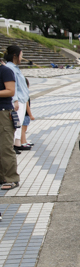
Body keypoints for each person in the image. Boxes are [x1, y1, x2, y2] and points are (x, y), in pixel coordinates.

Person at [4, 46, 30, 153]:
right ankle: (13, 144)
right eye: (21, 55)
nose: (21, 58)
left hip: (22, 99)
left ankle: (17, 143)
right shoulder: (10, 68)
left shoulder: (15, 68)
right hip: (18, 100)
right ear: (15, 56)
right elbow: (12, 86)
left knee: (19, 123)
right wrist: (15, 100)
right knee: (15, 123)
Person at [0, 57, 18, 191]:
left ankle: (11, 178)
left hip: (4, 113)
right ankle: (2, 177)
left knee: (5, 147)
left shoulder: (5, 71)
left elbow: (11, 91)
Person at [20, 78, 34, 148]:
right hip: (25, 114)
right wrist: (30, 115)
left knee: (24, 129)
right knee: (23, 129)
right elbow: (27, 105)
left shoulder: (23, 93)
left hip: (25, 114)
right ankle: (22, 142)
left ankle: (24, 141)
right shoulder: (24, 94)